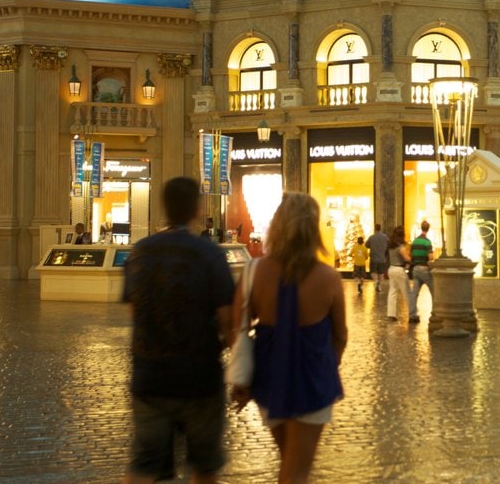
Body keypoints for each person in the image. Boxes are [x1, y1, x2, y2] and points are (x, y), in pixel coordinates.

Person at [121, 177, 234, 484]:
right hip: (199, 377)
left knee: (144, 464)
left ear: (165, 208)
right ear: (197, 209)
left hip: (149, 375)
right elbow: (228, 320)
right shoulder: (210, 255)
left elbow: (134, 310)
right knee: (204, 465)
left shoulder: (140, 252)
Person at [229, 192, 346, 484]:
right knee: (297, 469)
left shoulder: (254, 271)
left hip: (270, 376)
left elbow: (236, 328)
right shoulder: (328, 278)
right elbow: (340, 335)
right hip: (313, 378)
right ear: (313, 228)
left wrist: (243, 376)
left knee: (289, 461)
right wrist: (330, 366)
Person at [386, 226, 417, 323]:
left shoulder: (391, 245)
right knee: (407, 292)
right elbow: (407, 258)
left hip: (391, 268)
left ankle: (391, 314)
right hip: (399, 269)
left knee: (392, 291)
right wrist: (411, 258)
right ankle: (412, 314)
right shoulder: (400, 246)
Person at [410, 220, 435, 321]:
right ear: (428, 229)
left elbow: (411, 254)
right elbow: (430, 257)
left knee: (414, 293)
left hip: (415, 269)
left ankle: (412, 315)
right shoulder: (427, 242)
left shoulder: (415, 241)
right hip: (425, 269)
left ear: (421, 228)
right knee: (434, 291)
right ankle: (435, 313)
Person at [366, 224, 390, 292]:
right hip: (382, 258)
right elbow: (389, 244)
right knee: (381, 273)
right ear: (380, 228)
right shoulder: (385, 237)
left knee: (373, 272)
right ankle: (379, 285)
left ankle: (376, 281)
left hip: (374, 257)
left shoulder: (371, 237)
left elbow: (366, 245)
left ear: (375, 229)